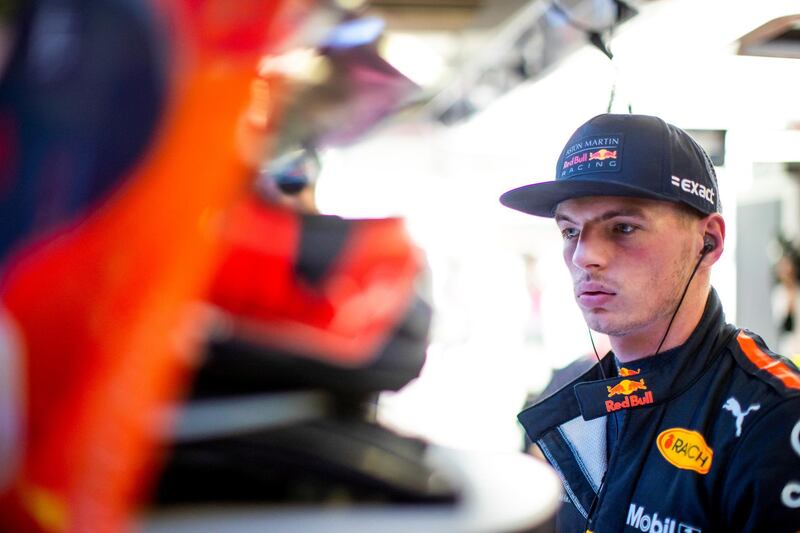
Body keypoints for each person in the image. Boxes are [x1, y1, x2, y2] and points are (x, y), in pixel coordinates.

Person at [500, 113, 800, 532]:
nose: (585, 256)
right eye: (570, 231)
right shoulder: (586, 407)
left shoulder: (775, 419)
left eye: (623, 227)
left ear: (708, 242)